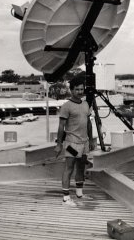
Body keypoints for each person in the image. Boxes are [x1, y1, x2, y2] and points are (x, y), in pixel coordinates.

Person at [54, 77, 94, 207]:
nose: (80, 91)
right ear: (71, 90)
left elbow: (88, 123)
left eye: (81, 89)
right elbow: (61, 126)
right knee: (69, 168)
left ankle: (79, 193)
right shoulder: (66, 106)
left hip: (84, 142)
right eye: (77, 89)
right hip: (71, 143)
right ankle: (66, 198)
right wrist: (59, 144)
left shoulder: (85, 104)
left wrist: (91, 139)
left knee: (81, 167)